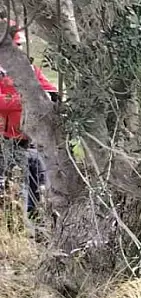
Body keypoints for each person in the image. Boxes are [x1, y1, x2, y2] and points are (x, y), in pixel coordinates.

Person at [0, 22, 57, 233]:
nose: (19, 51)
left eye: (20, 46)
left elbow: (51, 91)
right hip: (7, 142)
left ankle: (36, 233)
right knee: (14, 189)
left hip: (32, 141)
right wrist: (28, 99)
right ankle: (16, 234)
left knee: (39, 188)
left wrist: (52, 98)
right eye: (16, 45)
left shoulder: (29, 70)